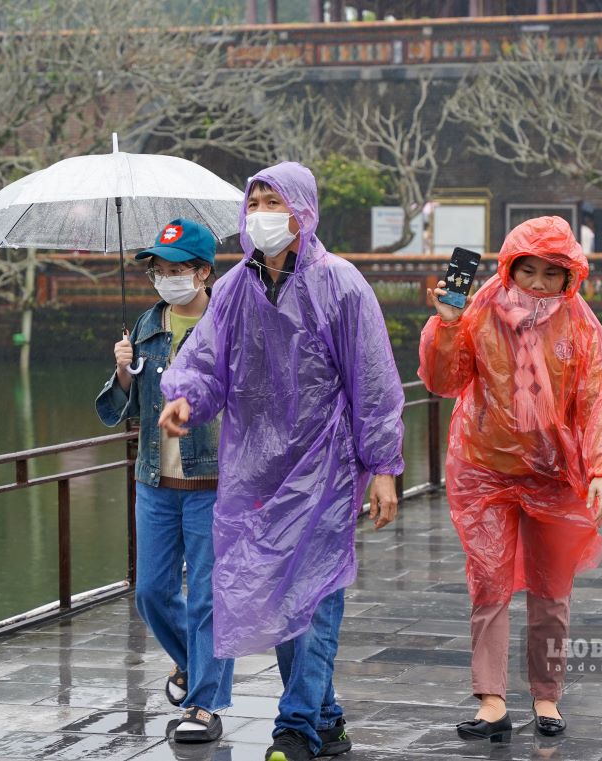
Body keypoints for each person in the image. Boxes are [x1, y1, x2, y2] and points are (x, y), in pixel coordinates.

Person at [158, 161, 405, 761]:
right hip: (258, 469)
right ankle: (327, 718)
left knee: (313, 595)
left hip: (325, 466)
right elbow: (208, 359)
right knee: (281, 597)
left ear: (303, 212)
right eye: (255, 203)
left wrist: (383, 468)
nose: (262, 214)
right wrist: (187, 398)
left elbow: (373, 381)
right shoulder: (236, 288)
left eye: (275, 203)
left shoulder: (339, 285)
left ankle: (294, 728)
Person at [418, 216, 602, 742]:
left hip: (554, 475)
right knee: (488, 583)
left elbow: (599, 397)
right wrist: (447, 325)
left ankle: (546, 695)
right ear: (509, 267)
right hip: (486, 469)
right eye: (527, 270)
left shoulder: (579, 324)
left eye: (551, 273)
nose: (537, 283)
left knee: (552, 591)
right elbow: (443, 380)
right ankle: (491, 700)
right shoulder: (481, 310)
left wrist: (601, 470)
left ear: (569, 276)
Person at [95, 218, 234, 744]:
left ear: (203, 272)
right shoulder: (146, 324)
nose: (166, 278)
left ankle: (204, 703)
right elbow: (120, 410)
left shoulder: (226, 324)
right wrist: (123, 371)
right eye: (158, 269)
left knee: (206, 597)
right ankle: (194, 663)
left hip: (212, 482)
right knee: (151, 592)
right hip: (154, 481)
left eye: (176, 269)